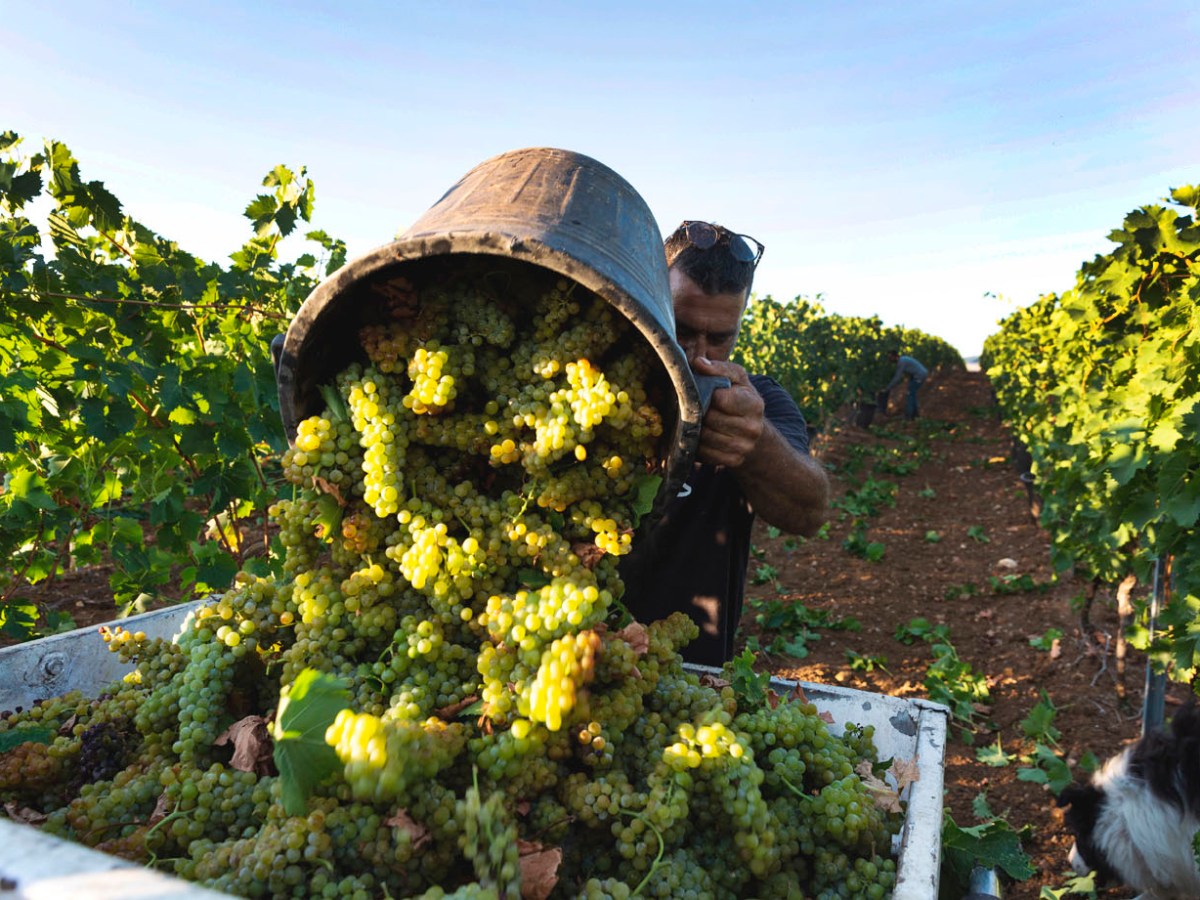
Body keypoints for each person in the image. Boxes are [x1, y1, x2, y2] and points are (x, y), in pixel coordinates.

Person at [619, 221, 831, 666]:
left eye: (719, 338)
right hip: (578, 655)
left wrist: (757, 447)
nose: (698, 354)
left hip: (691, 672)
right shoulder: (602, 392)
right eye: (682, 329)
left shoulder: (759, 403)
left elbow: (811, 513)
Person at [883, 351, 928, 419]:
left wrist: (887, 388)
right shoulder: (903, 359)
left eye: (890, 358)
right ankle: (915, 414)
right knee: (912, 393)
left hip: (919, 376)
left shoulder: (901, 362)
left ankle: (909, 416)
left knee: (910, 394)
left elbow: (897, 377)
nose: (889, 360)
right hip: (920, 374)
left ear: (895, 356)